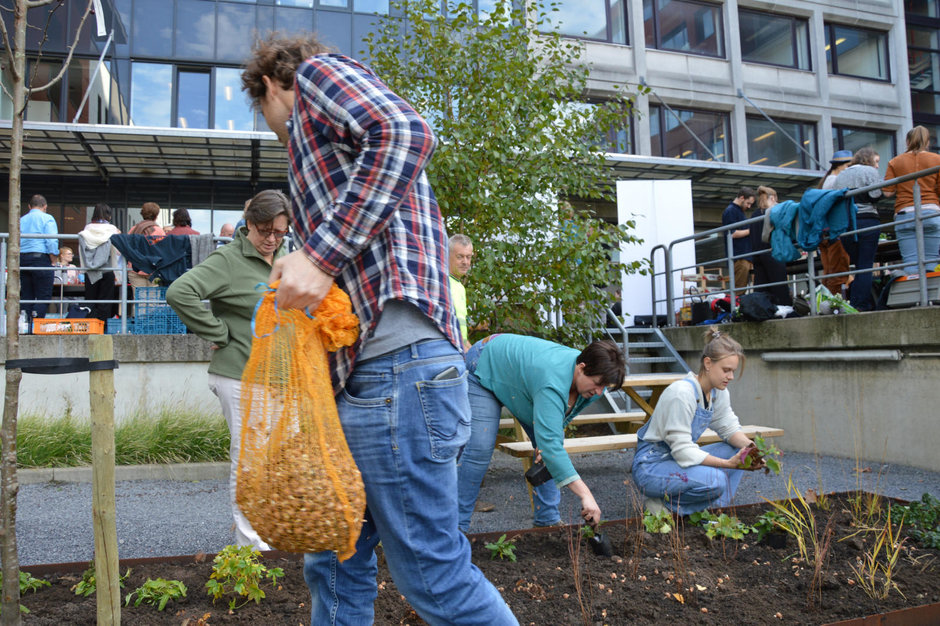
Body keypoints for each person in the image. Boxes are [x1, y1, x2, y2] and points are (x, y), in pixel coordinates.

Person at [241, 33, 517, 625]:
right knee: (335, 563)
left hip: (401, 374)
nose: (275, 131)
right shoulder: (326, 147)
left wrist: (317, 255)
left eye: (265, 117)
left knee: (433, 576)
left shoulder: (315, 77)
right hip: (370, 381)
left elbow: (406, 132)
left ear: (267, 85)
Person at [166, 189, 291, 551]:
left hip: (279, 376)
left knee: (278, 461)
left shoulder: (285, 256)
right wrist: (220, 332)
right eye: (264, 230)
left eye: (278, 232)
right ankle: (252, 547)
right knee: (251, 462)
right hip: (239, 375)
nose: (270, 239)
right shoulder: (227, 260)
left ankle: (274, 534)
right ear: (248, 224)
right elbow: (180, 292)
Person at [456, 335, 625, 531]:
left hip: (521, 382)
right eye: (597, 384)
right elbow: (551, 447)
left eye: (605, 387)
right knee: (480, 449)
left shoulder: (590, 386)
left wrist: (546, 445)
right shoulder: (552, 382)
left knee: (548, 450)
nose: (599, 392)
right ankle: (455, 530)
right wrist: (585, 494)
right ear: (581, 368)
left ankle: (547, 523)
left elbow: (560, 422)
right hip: (486, 362)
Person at [632, 326, 764, 515]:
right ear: (708, 363)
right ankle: (664, 506)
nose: (731, 377)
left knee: (739, 450)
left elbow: (728, 427)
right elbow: (683, 451)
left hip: (677, 462)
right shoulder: (681, 394)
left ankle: (714, 511)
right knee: (715, 480)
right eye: (726, 370)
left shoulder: (719, 393)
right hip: (652, 467)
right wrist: (728, 464)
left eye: (733, 371)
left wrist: (753, 450)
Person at [882, 126, 940, 275]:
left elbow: (887, 192)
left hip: (904, 214)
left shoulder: (895, 161)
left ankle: (915, 297)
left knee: (911, 262)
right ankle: (931, 298)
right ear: (927, 142)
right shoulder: (937, 160)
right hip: (931, 213)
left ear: (907, 141)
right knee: (931, 261)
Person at [835, 148, 883, 310]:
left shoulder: (841, 175)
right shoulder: (869, 171)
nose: (877, 166)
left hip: (847, 223)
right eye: (876, 161)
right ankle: (860, 303)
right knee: (865, 265)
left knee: (857, 264)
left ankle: (859, 300)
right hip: (867, 220)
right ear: (868, 160)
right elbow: (875, 194)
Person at [816, 150, 854, 295]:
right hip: (834, 232)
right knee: (838, 272)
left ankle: (825, 303)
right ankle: (833, 305)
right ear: (842, 166)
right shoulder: (836, 181)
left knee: (829, 271)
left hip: (824, 232)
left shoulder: (826, 181)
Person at [19, 194, 59, 323]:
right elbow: (51, 241)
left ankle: (25, 325)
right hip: (41, 258)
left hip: (23, 259)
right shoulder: (47, 218)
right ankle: (36, 324)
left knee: (27, 295)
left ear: (29, 206)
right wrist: (53, 258)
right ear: (45, 206)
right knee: (43, 295)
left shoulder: (21, 219)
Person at [748, 186, 791, 306]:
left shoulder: (754, 215)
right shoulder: (772, 212)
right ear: (772, 198)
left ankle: (762, 311)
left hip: (756, 255)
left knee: (761, 288)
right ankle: (785, 310)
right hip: (771, 252)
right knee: (779, 286)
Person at [78, 203, 120, 322]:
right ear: (109, 216)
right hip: (106, 270)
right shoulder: (111, 229)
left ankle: (91, 326)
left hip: (90, 271)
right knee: (105, 302)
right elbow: (117, 252)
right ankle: (103, 326)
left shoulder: (87, 229)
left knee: (90, 301)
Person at [721, 187, 756, 289]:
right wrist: (751, 230)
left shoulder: (737, 211)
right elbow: (732, 234)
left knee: (741, 287)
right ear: (741, 198)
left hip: (744, 256)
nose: (749, 206)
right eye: (748, 203)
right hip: (739, 256)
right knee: (739, 288)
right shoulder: (731, 211)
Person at [127, 202, 167, 289]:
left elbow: (126, 248)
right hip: (153, 269)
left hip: (134, 269)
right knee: (152, 300)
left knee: (138, 299)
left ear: (142, 214)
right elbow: (163, 252)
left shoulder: (134, 229)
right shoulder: (159, 231)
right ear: (156, 215)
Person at [449, 233, 474, 350]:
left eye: (468, 257)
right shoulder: (443, 282)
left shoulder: (460, 287)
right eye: (460, 257)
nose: (465, 262)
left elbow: (461, 332)